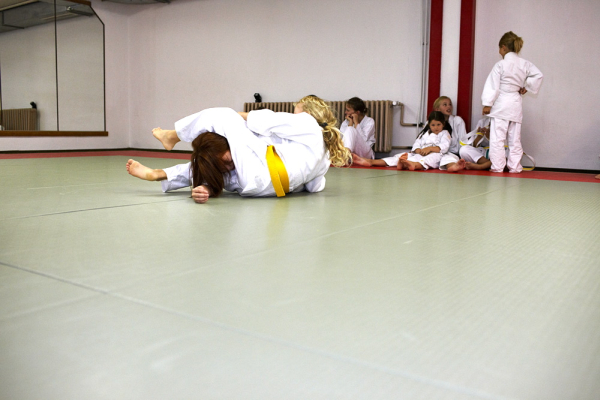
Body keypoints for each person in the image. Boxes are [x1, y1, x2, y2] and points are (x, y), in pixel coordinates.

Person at [126, 95, 351, 203]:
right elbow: (314, 187)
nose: (292, 116)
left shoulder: (307, 123)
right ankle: (168, 176)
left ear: (308, 113)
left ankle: (172, 136)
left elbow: (267, 120)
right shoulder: (324, 157)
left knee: (221, 115)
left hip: (262, 175)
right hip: (266, 189)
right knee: (219, 163)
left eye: (295, 112)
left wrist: (237, 118)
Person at [482, 31, 543, 173]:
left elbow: (493, 85)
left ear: (503, 47)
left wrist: (487, 103)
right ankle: (515, 167)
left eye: (499, 48)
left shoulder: (500, 64)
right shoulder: (524, 63)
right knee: (514, 139)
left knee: (498, 139)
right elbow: (538, 75)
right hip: (515, 104)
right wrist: (527, 87)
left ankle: (497, 167)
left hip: (501, 104)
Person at [352, 111, 450, 171]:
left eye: (438, 125)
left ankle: (411, 165)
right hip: (419, 154)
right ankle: (372, 162)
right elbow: (417, 144)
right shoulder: (424, 134)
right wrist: (418, 150)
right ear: (429, 125)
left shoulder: (445, 133)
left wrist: (430, 148)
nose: (436, 127)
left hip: (435, 154)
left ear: (443, 124)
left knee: (428, 160)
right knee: (401, 156)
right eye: (433, 125)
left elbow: (445, 146)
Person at [430, 96, 468, 172]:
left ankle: (453, 166)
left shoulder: (457, 120)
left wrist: (462, 155)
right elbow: (423, 139)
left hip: (451, 153)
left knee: (449, 159)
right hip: (434, 152)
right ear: (437, 109)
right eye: (445, 105)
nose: (449, 107)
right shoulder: (430, 122)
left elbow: (463, 140)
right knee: (420, 159)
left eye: (450, 104)